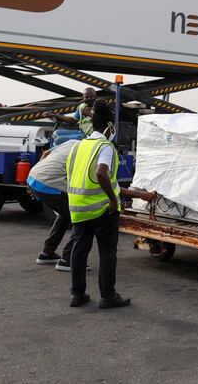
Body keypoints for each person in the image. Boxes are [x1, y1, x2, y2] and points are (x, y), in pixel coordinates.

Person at [66, 100, 156, 308]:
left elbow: (82, 177)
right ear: (108, 126)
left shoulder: (79, 146)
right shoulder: (104, 147)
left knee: (79, 249)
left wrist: (137, 195)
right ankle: (108, 296)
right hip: (102, 209)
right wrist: (112, 201)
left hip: (78, 207)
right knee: (107, 251)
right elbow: (101, 173)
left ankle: (76, 295)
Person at [29, 140, 80, 271]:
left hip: (33, 176)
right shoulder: (88, 150)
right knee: (80, 216)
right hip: (49, 183)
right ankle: (67, 259)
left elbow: (46, 153)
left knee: (65, 214)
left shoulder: (72, 142)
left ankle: (47, 253)